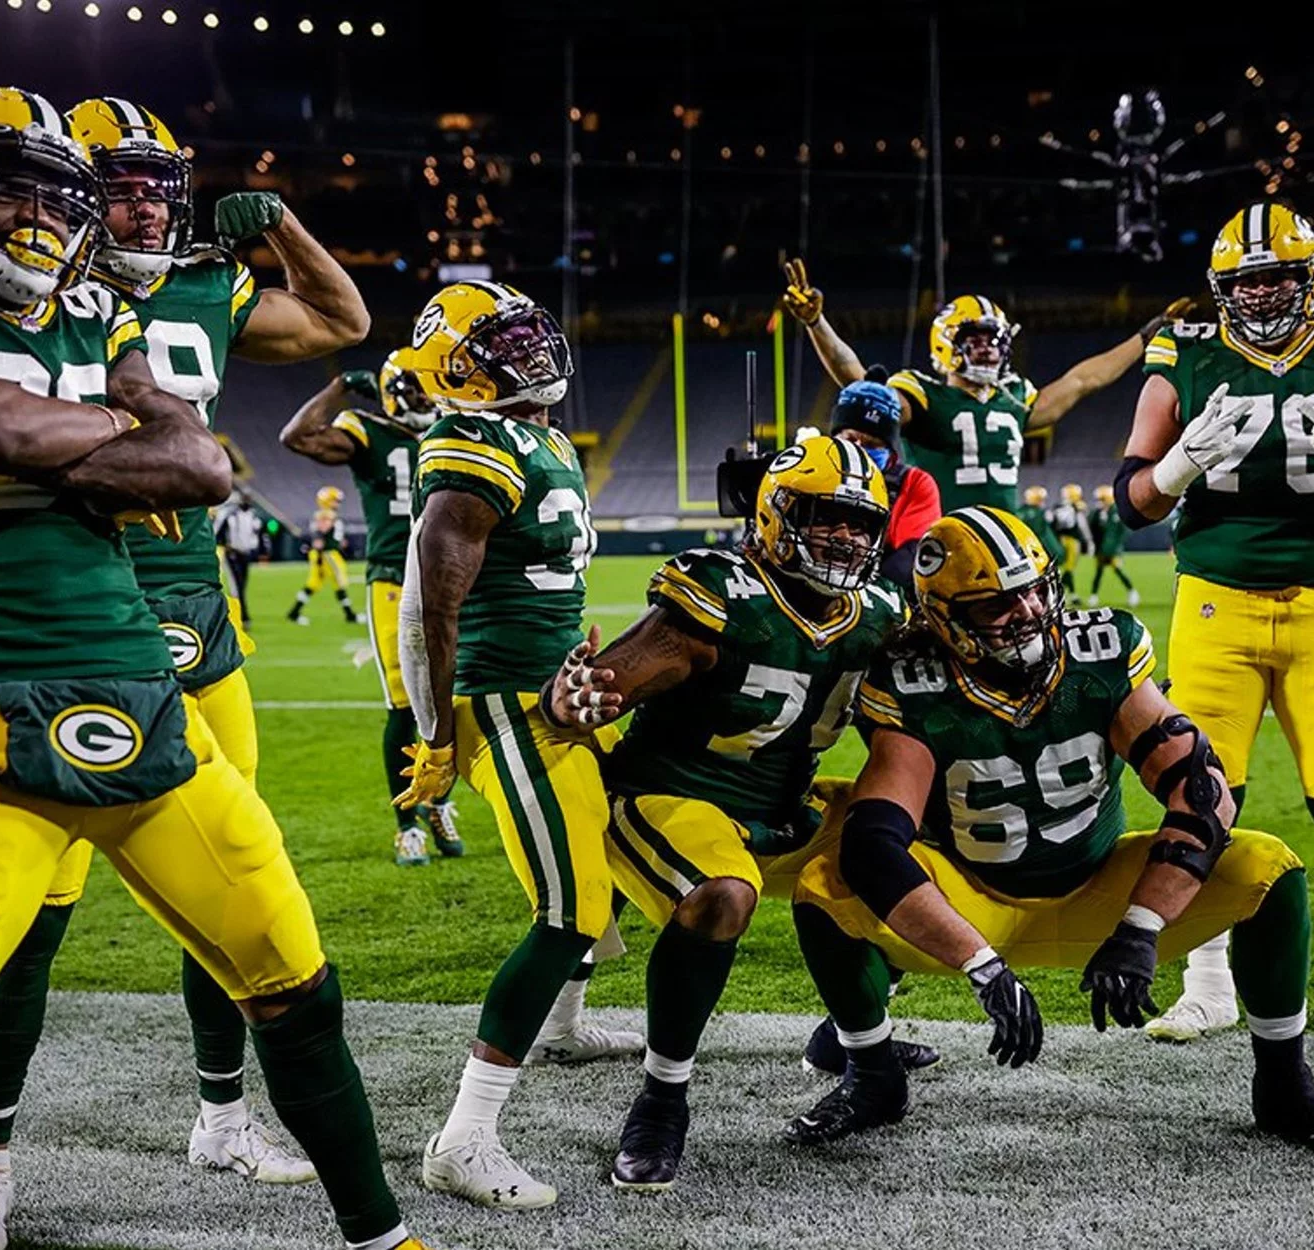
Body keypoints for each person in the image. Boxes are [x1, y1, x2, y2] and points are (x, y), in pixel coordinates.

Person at [0, 86, 419, 1250]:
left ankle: (379, 1235)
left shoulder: (93, 308)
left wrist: (54, 445)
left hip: (152, 708)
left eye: (57, 198)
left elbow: (199, 465)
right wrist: (106, 445)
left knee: (299, 990)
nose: (40, 219)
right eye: (9, 191)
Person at [777, 507, 1314, 1161]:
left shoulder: (1098, 655)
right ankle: (872, 1075)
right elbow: (876, 844)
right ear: (944, 619)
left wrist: (1142, 927)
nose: (1027, 613)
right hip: (973, 901)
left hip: (1101, 891)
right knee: (828, 883)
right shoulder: (915, 682)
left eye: (1034, 591)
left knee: (1269, 870)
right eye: (997, 605)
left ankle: (1285, 1087)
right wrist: (981, 965)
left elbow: (1201, 792)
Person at [538, 437, 913, 1192]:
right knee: (723, 896)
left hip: (785, 807)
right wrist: (577, 697)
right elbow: (614, 679)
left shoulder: (879, 613)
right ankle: (662, 1098)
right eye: (827, 518)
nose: (847, 538)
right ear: (777, 515)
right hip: (674, 796)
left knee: (909, 848)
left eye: (861, 524)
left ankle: (868, 1059)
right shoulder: (723, 594)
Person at [1115, 201, 1314, 1055]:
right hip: (1214, 608)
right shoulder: (1183, 355)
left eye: (1278, 278)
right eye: (1247, 282)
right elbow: (1132, 499)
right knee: (1205, 803)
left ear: (1310, 279)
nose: (1262, 295)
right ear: (1222, 288)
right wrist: (1181, 465)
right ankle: (1206, 984)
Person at [392, 281, 640, 1211]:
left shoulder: (542, 438)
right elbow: (430, 609)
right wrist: (435, 735)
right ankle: (463, 1138)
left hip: (555, 695)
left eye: (530, 334)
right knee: (568, 910)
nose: (530, 353)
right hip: (506, 705)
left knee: (611, 860)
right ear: (459, 369)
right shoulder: (470, 444)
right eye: (503, 343)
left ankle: (564, 1026)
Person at [782, 257, 1185, 513]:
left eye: (994, 341)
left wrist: (1144, 339)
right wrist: (817, 323)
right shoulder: (923, 393)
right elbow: (860, 388)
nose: (988, 350)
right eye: (974, 340)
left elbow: (1083, 380)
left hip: (1004, 537)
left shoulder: (1013, 396)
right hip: (939, 533)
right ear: (946, 343)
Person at [281, 349, 464, 867]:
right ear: (393, 392)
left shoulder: (454, 430)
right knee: (405, 705)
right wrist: (340, 385)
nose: (427, 397)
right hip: (393, 579)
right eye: (417, 387)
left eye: (431, 386)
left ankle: (438, 803)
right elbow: (298, 437)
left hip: (455, 577)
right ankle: (407, 825)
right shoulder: (367, 432)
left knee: (455, 701)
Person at [824, 372, 941, 589]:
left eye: (872, 444)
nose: (859, 449)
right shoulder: (812, 472)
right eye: (850, 439)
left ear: (890, 449)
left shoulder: (913, 483)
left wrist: (865, 595)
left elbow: (912, 555)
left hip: (879, 592)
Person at [291, 485, 359, 624]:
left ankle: (294, 612)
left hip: (325, 554)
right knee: (339, 582)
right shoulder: (326, 516)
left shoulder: (326, 515)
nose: (337, 504)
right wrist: (320, 555)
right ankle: (350, 615)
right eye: (335, 500)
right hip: (327, 554)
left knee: (314, 584)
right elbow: (319, 535)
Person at [213, 491, 263, 624]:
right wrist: (227, 546)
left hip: (245, 553)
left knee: (242, 585)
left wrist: (256, 549)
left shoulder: (253, 516)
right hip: (233, 553)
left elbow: (256, 536)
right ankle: (242, 616)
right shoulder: (230, 515)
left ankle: (238, 614)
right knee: (236, 586)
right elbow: (217, 533)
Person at [1087, 484, 1138, 607]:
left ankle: (1132, 592)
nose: (1099, 502)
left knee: (1118, 570)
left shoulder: (1116, 511)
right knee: (1098, 572)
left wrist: (1116, 546)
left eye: (1102, 499)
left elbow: (1123, 530)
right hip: (1101, 548)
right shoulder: (1097, 513)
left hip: (1113, 549)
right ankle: (1093, 596)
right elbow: (1093, 529)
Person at [1052, 483, 1094, 594]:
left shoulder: (1057, 507)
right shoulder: (1077, 507)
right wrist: (1089, 541)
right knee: (1069, 568)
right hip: (1073, 540)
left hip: (1058, 540)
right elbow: (1083, 526)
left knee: (1063, 567)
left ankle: (1072, 594)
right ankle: (1058, 590)